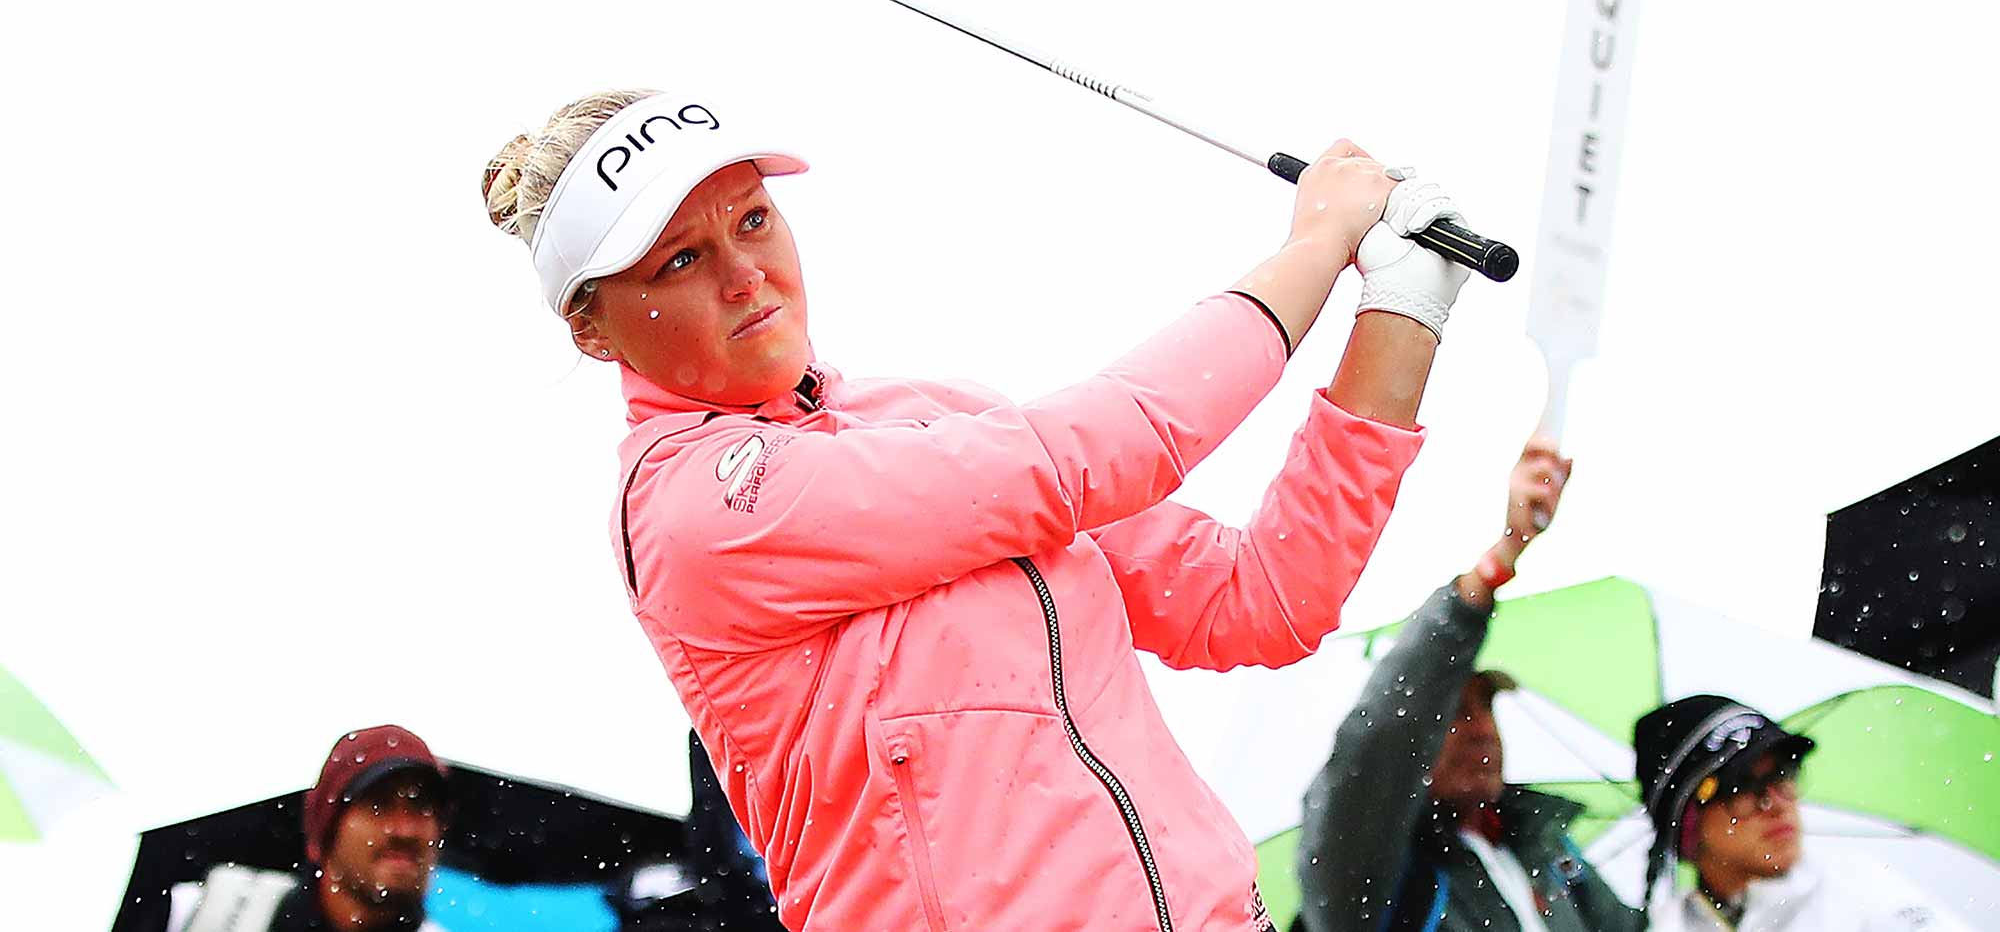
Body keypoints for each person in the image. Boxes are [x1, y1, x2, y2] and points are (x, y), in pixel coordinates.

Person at [478, 85, 1473, 930]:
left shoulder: (927, 418)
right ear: (591, 328)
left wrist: (1400, 313)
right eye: (680, 262)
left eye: (750, 219)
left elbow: (1258, 599)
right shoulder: (694, 509)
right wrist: (1313, 245)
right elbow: (1094, 455)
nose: (746, 274)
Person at [1295, 438, 1642, 932]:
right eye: (1453, 714)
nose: (1481, 730)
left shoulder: (1545, 851)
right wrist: (1495, 565)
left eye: (1485, 707)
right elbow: (1381, 741)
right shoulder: (1366, 873)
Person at [1632, 694, 1974, 931]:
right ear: (1690, 825)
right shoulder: (1664, 927)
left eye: (1783, 776)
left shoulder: (1857, 888)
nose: (1778, 803)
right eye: (1745, 788)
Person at [169, 725, 450, 931]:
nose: (405, 830)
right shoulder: (198, 913)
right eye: (378, 805)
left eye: (423, 808)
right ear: (328, 827)